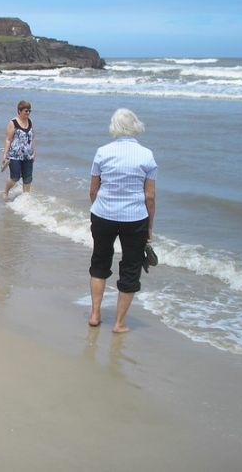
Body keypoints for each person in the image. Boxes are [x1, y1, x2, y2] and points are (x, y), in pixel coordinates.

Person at [88, 108, 157, 333]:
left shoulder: (102, 152)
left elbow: (93, 189)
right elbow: (150, 196)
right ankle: (118, 323)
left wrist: (96, 208)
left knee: (99, 261)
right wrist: (150, 227)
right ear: (135, 125)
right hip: (134, 218)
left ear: (114, 127)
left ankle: (95, 314)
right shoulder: (146, 155)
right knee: (130, 267)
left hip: (103, 214)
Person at [1, 100, 36, 199]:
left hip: (28, 155)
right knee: (15, 178)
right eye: (26, 111)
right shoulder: (13, 123)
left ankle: (26, 198)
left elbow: (32, 138)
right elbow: (8, 140)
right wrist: (5, 155)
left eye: (29, 111)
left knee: (28, 178)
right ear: (19, 111)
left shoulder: (30, 121)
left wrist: (34, 152)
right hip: (15, 155)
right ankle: (6, 192)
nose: (28, 113)